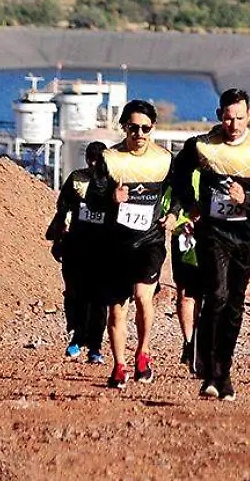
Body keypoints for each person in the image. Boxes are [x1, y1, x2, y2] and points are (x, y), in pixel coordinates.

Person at [172, 88, 250, 401]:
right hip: (213, 234)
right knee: (215, 295)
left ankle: (223, 369)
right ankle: (209, 368)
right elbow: (179, 174)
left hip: (246, 238)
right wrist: (190, 204)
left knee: (234, 305)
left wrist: (246, 198)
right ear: (220, 114)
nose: (234, 124)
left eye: (240, 117)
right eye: (228, 117)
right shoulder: (203, 146)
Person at [85, 100, 175, 390]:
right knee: (116, 310)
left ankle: (143, 353)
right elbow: (92, 197)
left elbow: (182, 192)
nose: (139, 133)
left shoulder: (164, 159)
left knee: (142, 296)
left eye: (145, 128)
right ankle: (119, 365)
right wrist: (111, 198)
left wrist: (173, 214)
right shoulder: (110, 159)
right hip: (115, 244)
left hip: (149, 241)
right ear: (123, 127)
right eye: (133, 127)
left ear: (153, 129)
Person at [46, 141, 110, 365]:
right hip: (76, 245)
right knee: (75, 294)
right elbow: (62, 208)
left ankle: (95, 347)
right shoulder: (76, 179)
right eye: (91, 158)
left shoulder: (113, 183)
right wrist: (57, 238)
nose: (94, 163)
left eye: (99, 158)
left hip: (104, 249)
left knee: (99, 299)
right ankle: (76, 335)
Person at [170, 212, 200, 370]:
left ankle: (200, 343)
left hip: (214, 233)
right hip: (183, 233)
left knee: (208, 295)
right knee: (185, 294)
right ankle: (189, 345)